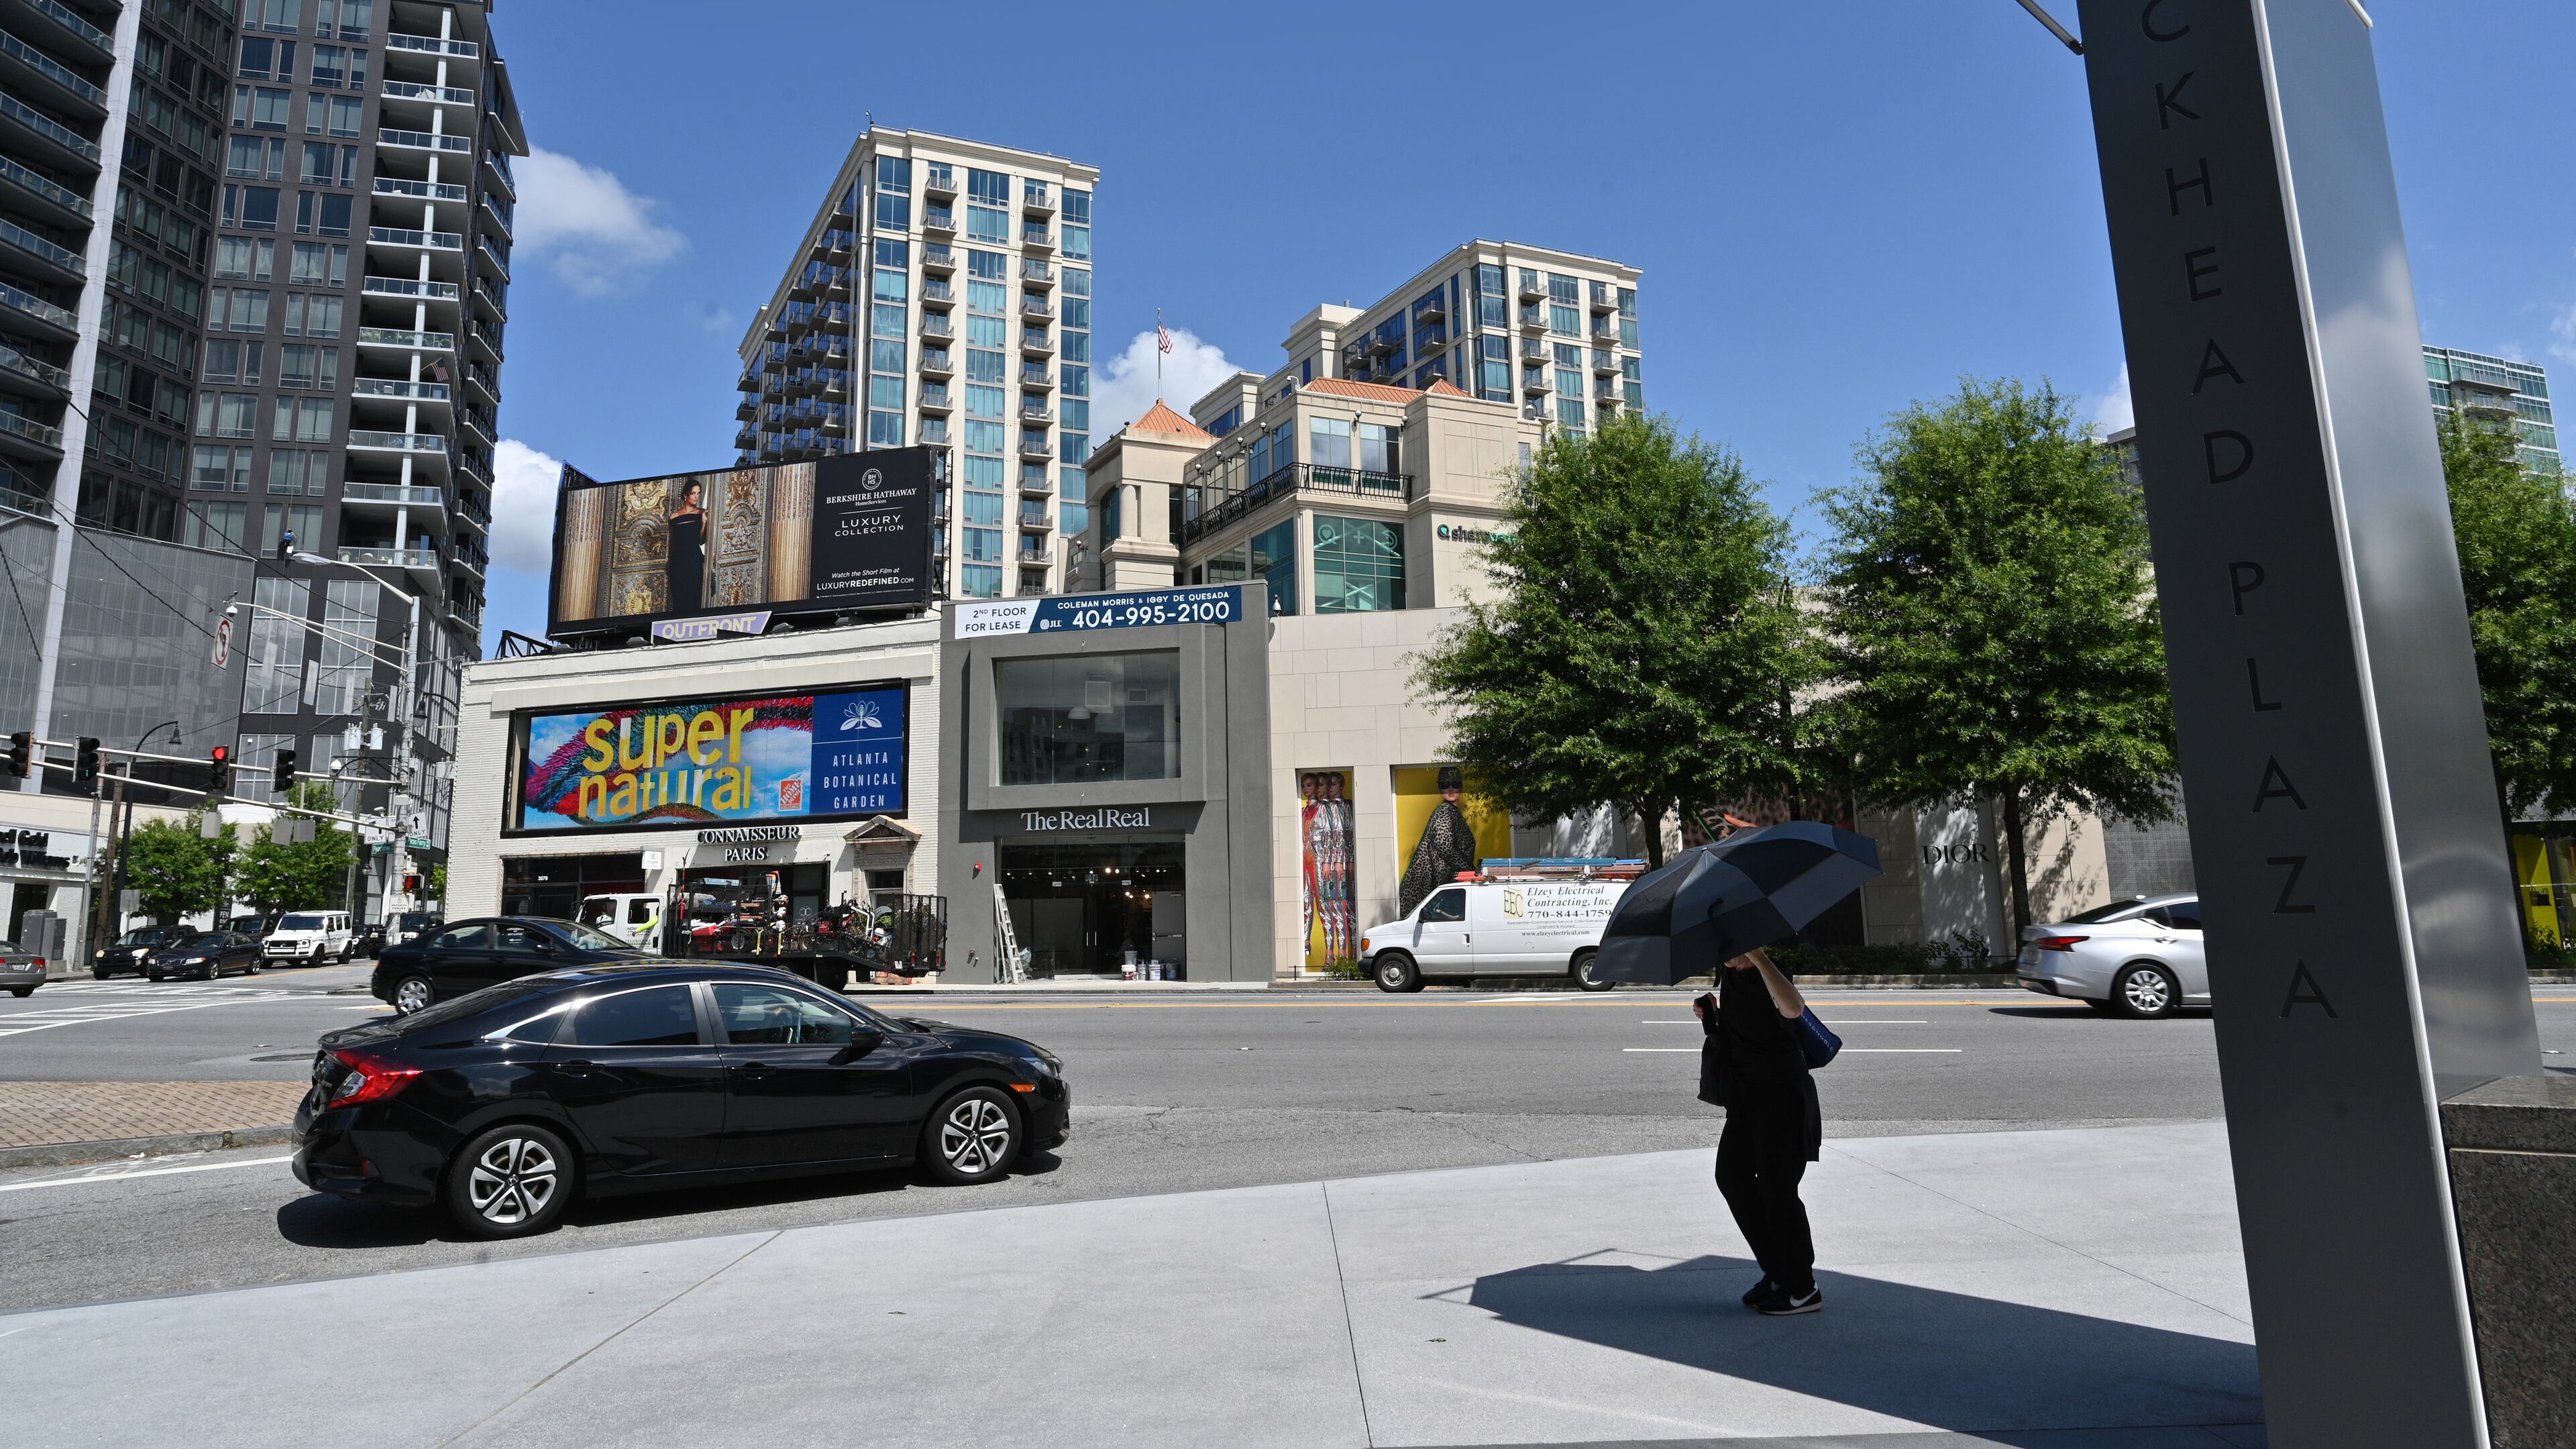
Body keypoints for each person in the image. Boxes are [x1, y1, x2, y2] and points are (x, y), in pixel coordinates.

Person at [1695, 945, 1823, 1316]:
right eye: (1720, 951)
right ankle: (1778, 1270)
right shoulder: (1731, 975)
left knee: (1778, 1191)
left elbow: (1794, 1010)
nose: (1725, 960)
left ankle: (1802, 1287)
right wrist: (1712, 1017)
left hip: (1782, 1097)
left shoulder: (1770, 970)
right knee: (1731, 1178)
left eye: (1732, 951)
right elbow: (1744, 1036)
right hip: (1746, 1098)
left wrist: (1761, 959)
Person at [665, 479, 708, 612]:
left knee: (694, 594)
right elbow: (672, 543)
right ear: (685, 495)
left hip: (694, 559)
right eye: (693, 493)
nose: (696, 497)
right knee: (679, 596)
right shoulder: (673, 517)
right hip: (678, 562)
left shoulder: (701, 513)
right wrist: (670, 563)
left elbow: (701, 541)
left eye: (698, 493)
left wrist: (705, 522)